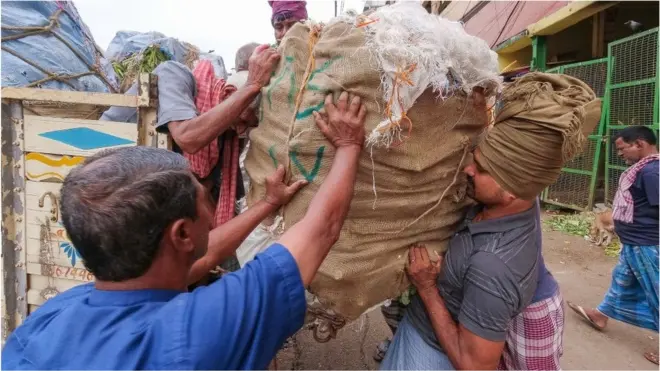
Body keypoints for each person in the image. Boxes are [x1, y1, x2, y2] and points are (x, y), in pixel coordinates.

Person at [1, 91, 368, 370]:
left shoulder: (50, 318)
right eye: (204, 196)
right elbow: (321, 229)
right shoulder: (198, 332)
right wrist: (350, 145)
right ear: (181, 234)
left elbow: (203, 255)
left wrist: (267, 204)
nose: (211, 208)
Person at [380, 73, 601, 370]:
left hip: (431, 352)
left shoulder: (493, 266)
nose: (469, 169)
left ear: (511, 188)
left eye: (481, 169)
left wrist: (428, 288)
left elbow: (475, 365)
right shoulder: (523, 199)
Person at [101, 42, 275, 279]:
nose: (243, 130)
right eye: (244, 118)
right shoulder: (173, 74)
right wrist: (253, 85)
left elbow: (208, 194)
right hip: (110, 186)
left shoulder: (228, 137)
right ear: (230, 97)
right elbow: (188, 137)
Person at [568, 126, 659, 365]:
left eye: (622, 149)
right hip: (633, 242)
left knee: (657, 292)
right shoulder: (642, 170)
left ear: (639, 144)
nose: (620, 155)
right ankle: (600, 315)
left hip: (646, 243)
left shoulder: (651, 172)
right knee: (622, 281)